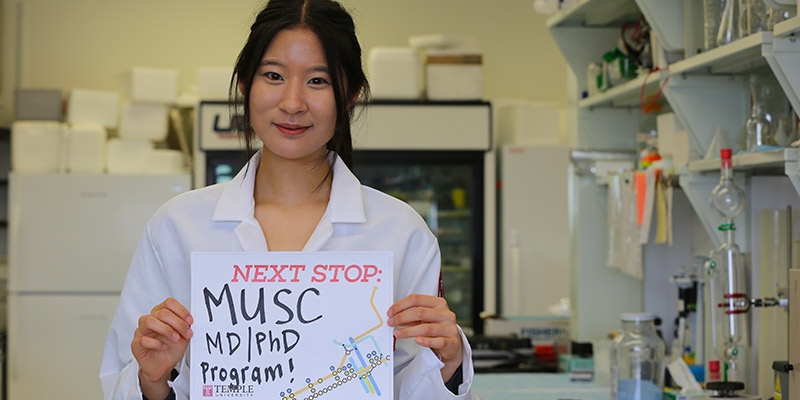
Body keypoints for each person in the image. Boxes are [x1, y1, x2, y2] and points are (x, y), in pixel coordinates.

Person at [99, 1, 479, 399]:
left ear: (350, 95)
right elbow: (120, 381)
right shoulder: (178, 226)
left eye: (318, 81)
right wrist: (151, 379)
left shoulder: (400, 233)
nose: (293, 102)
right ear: (246, 84)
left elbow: (414, 387)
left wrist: (448, 362)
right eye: (274, 75)